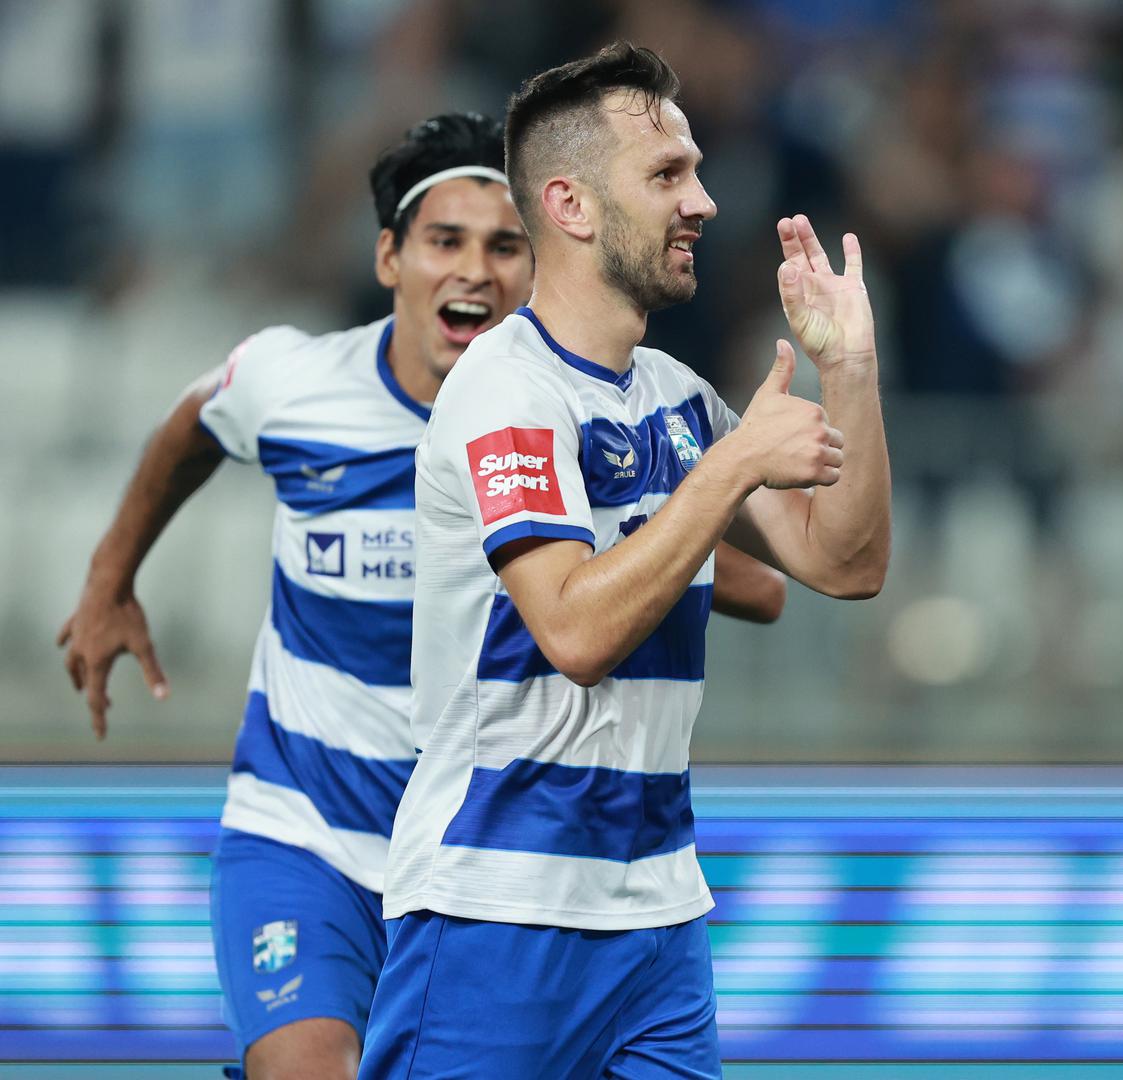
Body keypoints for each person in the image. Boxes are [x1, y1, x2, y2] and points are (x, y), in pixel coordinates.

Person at [56, 112, 785, 1080]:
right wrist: (109, 580)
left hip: (469, 863)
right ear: (389, 257)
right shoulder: (297, 385)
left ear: (541, 262)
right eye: (445, 241)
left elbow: (747, 583)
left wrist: (656, 546)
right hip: (309, 837)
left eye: (505, 246)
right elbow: (193, 424)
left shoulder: (555, 422)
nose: (475, 271)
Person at [358, 43, 890, 1078]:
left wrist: (850, 370)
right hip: (496, 907)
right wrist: (729, 468)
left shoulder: (677, 398)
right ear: (571, 204)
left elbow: (846, 562)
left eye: (695, 171)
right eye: (666, 175)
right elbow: (574, 632)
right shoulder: (505, 389)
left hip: (657, 917)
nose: (703, 202)